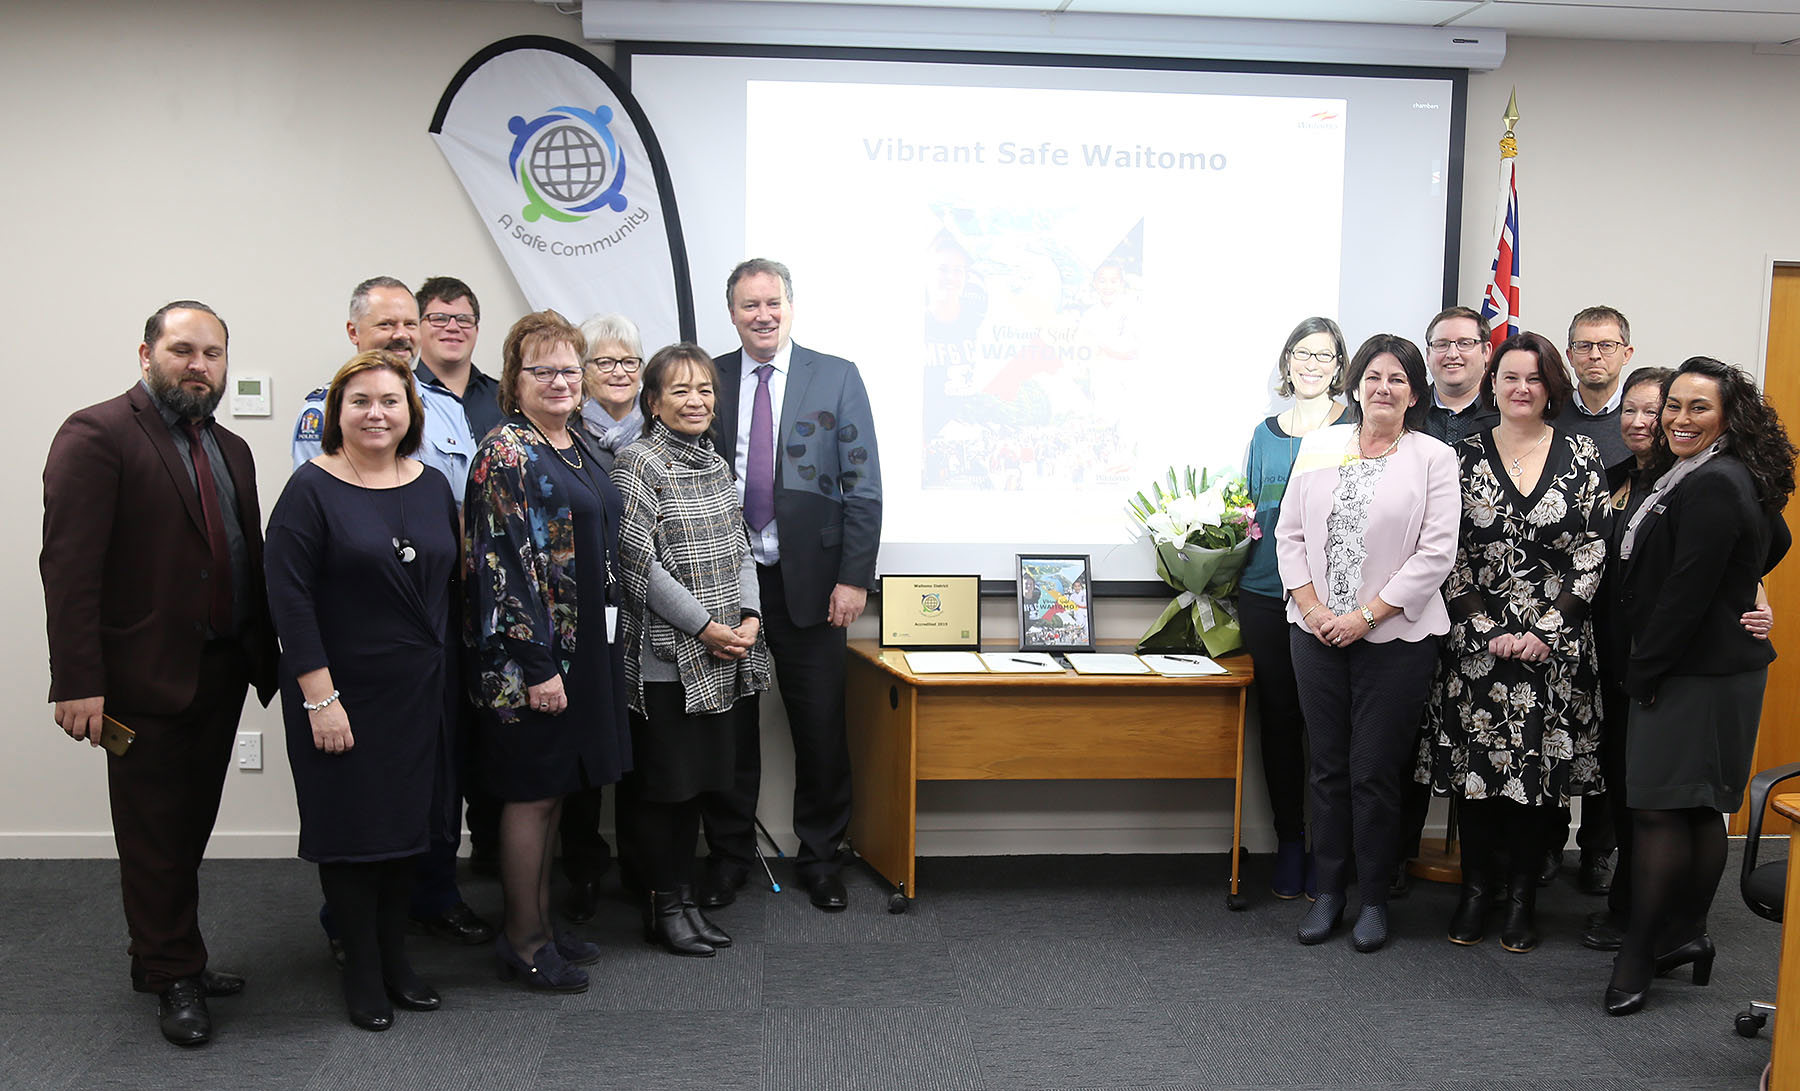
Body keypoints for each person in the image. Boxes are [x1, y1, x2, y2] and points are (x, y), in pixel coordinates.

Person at [41, 300, 278, 1046]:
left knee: (188, 828)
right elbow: (69, 568)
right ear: (145, 354)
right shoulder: (97, 433)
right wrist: (76, 677)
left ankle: (178, 952)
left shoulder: (231, 447)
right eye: (183, 349)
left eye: (212, 353)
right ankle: (170, 972)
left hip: (218, 668)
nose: (199, 364)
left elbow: (242, 554)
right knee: (151, 836)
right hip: (140, 678)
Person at [293, 277, 495, 955]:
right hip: (364, 642)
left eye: (411, 324)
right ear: (355, 334)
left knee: (435, 779)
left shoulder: (438, 407)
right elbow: (333, 525)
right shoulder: (330, 412)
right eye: (387, 327)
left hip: (436, 633)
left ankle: (432, 897)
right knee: (361, 793)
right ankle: (348, 929)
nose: (403, 336)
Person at [264, 351, 459, 1031]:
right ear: (336, 414)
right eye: (361, 401)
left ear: (412, 412)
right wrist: (321, 698)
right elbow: (288, 602)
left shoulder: (432, 483)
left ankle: (397, 960)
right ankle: (362, 971)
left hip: (418, 695)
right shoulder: (310, 489)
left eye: (391, 400)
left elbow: (444, 585)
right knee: (353, 837)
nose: (377, 412)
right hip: (341, 694)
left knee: (407, 834)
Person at [1605, 357, 1795, 1016]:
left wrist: (1644, 672)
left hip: (1697, 670)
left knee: (1663, 807)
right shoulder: (1691, 470)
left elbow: (1686, 591)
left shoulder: (1716, 480)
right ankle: (1683, 936)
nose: (1679, 419)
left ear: (1727, 416)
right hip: (1704, 662)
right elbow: (1772, 537)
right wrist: (1743, 587)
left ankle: (1645, 951)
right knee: (1689, 806)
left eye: (1697, 408)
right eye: (1673, 406)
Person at [700, 259, 883, 913]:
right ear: (732, 313)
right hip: (725, 589)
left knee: (820, 728)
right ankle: (727, 857)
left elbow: (862, 484)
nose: (762, 314)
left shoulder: (835, 376)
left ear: (790, 305)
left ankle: (822, 857)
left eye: (772, 301)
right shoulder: (708, 378)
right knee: (728, 730)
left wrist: (853, 578)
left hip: (813, 585)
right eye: (749, 304)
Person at [1419, 331, 1608, 953]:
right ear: (1492, 384)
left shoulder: (1582, 455)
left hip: (1553, 653)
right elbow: (1450, 555)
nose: (1521, 389)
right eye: (1509, 377)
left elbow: (1592, 555)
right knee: (1478, 781)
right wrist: (1489, 629)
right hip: (1478, 650)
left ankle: (1522, 898)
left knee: (1537, 783)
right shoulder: (1463, 458)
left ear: (1551, 386)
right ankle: (1476, 893)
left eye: (1533, 379)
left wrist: (1545, 630)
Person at [1276, 333, 1459, 953]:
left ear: (1415, 391)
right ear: (1355, 385)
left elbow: (1436, 552)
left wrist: (1365, 616)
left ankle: (1374, 897)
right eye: (1373, 377)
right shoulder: (1320, 445)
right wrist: (1313, 608)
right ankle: (1328, 892)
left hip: (1397, 638)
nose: (1384, 388)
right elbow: (1289, 534)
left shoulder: (1433, 457)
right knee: (1326, 770)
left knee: (1376, 773)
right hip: (1315, 632)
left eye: (1398, 379)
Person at [465, 310, 631, 993]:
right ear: (515, 378)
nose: (561, 380)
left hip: (584, 646)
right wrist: (538, 669)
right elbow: (500, 569)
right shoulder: (506, 452)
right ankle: (524, 941)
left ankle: (541, 919)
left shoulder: (575, 442)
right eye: (544, 369)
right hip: (533, 659)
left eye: (570, 368)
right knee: (531, 794)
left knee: (558, 787)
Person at [613, 343, 771, 955]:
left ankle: (681, 901)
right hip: (666, 657)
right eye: (679, 391)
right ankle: (665, 907)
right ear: (653, 404)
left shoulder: (715, 463)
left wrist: (751, 613)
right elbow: (637, 565)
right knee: (666, 792)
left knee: (701, 787)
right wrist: (705, 625)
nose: (696, 400)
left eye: (704, 389)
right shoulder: (638, 462)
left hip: (726, 653)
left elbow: (740, 547)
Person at [1237, 317, 1349, 899]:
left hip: (1330, 600)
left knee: (1327, 729)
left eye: (1323, 356)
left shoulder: (1354, 430)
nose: (1310, 364)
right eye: (1301, 354)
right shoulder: (1264, 433)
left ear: (1339, 367)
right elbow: (1254, 513)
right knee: (1278, 723)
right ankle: (1288, 842)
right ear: (1287, 362)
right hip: (1262, 592)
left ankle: (1329, 852)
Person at [560, 311, 648, 920]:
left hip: (655, 615)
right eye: (604, 362)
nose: (618, 373)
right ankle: (583, 867)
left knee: (648, 743)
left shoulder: (666, 429)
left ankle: (645, 868)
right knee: (586, 748)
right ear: (582, 373)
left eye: (629, 362)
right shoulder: (561, 438)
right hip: (588, 616)